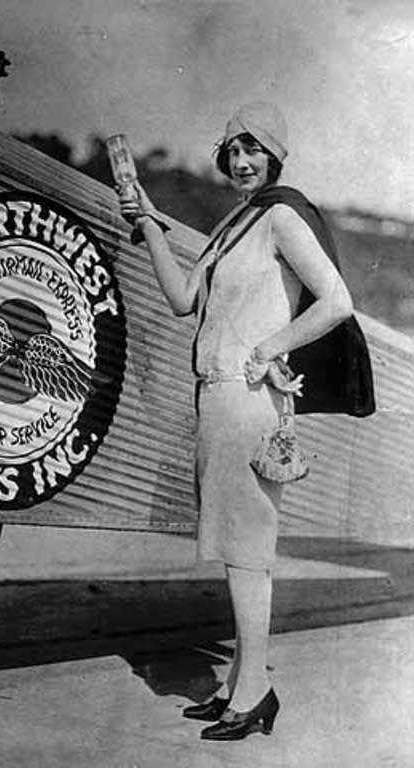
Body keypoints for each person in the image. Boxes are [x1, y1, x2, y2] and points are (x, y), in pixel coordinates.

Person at [118, 102, 374, 741]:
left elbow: (337, 301)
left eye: (252, 150)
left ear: (274, 156)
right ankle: (241, 684)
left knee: (249, 553)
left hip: (249, 398)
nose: (240, 161)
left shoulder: (282, 215)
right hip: (216, 400)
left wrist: (269, 349)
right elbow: (183, 303)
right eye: (232, 151)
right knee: (239, 552)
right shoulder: (234, 223)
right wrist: (150, 224)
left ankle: (254, 690)